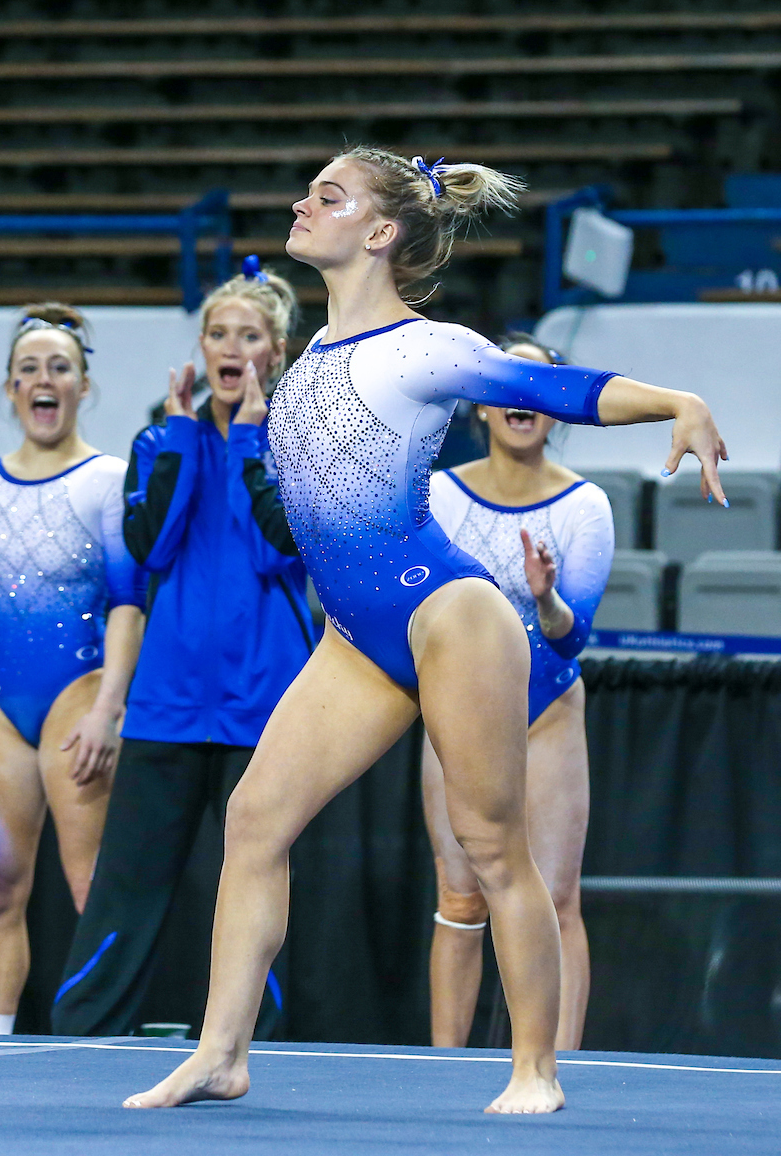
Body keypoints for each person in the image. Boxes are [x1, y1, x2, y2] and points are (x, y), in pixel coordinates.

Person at [123, 148, 727, 1115]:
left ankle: (535, 1068)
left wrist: (673, 402)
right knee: (254, 820)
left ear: (380, 231)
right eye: (307, 191)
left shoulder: (422, 346)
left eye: (328, 194)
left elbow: (553, 391)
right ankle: (222, 1053)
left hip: (449, 615)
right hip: (355, 635)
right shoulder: (310, 358)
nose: (302, 203)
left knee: (493, 850)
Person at [52, 261, 315, 1039]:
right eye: (218, 333)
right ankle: (81, 1036)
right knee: (126, 888)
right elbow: (150, 550)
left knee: (254, 881)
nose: (231, 346)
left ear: (278, 349)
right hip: (167, 705)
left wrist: (248, 443)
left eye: (250, 334)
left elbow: (282, 550)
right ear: (200, 346)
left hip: (264, 708)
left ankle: (245, 1043)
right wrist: (179, 441)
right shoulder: (160, 438)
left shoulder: (295, 443)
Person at [422, 333, 614, 1052]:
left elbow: (572, 639)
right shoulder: (439, 492)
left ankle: (557, 1067)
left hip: (548, 710)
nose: (521, 396)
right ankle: (445, 1065)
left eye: (540, 381)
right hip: (457, 712)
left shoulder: (585, 505)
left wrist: (547, 601)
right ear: (482, 402)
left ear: (553, 406)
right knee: (460, 896)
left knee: (558, 896)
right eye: (509, 378)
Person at [0, 303, 147, 1035]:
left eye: (58, 368)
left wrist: (110, 708)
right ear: (10, 390)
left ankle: (103, 1043)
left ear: (83, 386)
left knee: (93, 888)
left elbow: (128, 600)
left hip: (78, 697)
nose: (42, 381)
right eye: (28, 370)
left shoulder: (108, 480)